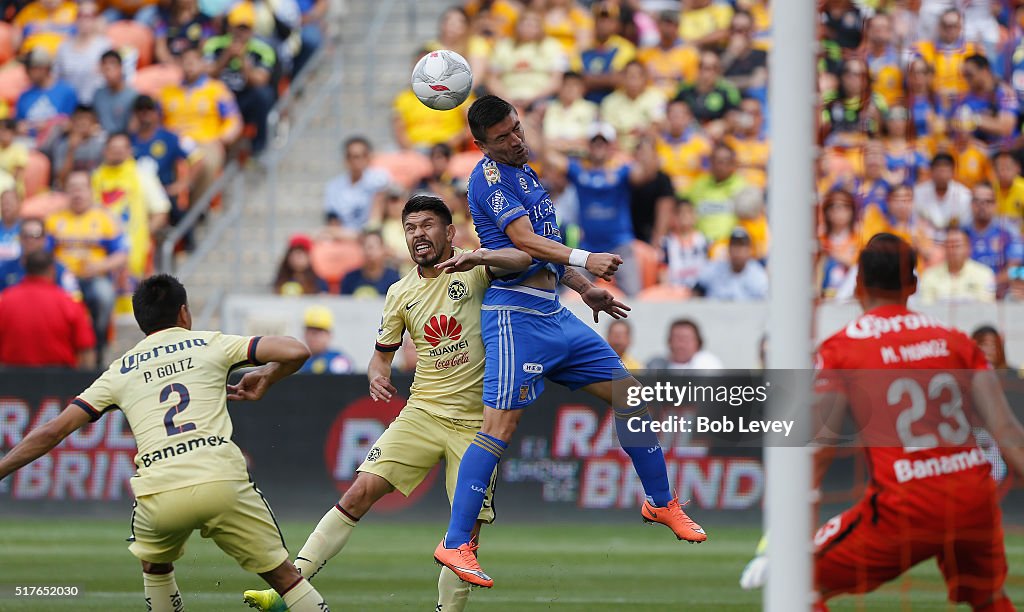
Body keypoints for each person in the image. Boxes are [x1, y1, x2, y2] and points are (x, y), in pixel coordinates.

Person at [434, 95, 706, 590]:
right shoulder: (488, 179)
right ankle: (455, 542)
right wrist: (587, 258)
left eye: (517, 129)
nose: (516, 140)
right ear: (481, 145)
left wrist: (584, 288)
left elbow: (546, 245)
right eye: (503, 138)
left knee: (631, 397)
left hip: (553, 312)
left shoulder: (527, 171)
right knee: (498, 429)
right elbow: (524, 241)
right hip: (514, 317)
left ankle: (660, 502)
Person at [242, 194, 534, 612]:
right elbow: (381, 357)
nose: (419, 234)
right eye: (411, 227)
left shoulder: (475, 268)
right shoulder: (399, 292)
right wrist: (377, 375)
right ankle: (290, 589)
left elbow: (523, 260)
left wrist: (484, 256)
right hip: (422, 412)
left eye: (428, 225)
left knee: (463, 535)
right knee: (358, 491)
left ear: (449, 232)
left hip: (477, 426)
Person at [0, 274, 330, 612]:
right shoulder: (211, 343)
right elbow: (296, 350)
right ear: (184, 313)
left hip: (160, 491)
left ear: (142, 321)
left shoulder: (120, 370)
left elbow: (53, 431)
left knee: (154, 566)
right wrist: (266, 376)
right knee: (285, 578)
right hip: (221, 480)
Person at [807, 233, 1024, 610]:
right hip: (973, 496)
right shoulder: (956, 340)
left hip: (905, 506)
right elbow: (1008, 433)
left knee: (797, 582)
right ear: (914, 284)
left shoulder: (842, 347)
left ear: (858, 282)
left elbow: (820, 449)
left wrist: (790, 522)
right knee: (988, 597)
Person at [542, 122, 659, 297]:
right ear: (588, 145)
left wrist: (648, 141)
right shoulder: (579, 170)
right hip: (588, 249)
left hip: (621, 247)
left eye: (603, 142)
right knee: (567, 297)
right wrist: (575, 144)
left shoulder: (622, 171)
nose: (599, 146)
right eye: (594, 142)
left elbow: (648, 173)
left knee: (635, 299)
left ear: (611, 146)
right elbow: (548, 157)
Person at [45, 170, 127, 361]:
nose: (77, 193)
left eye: (81, 188)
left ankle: (97, 348)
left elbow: (121, 255)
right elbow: (44, 255)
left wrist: (100, 266)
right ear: (65, 192)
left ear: (91, 191)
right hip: (61, 280)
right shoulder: (54, 220)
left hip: (94, 277)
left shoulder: (105, 218)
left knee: (104, 296)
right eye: (72, 188)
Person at [159, 45, 243, 200]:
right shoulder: (168, 92)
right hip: (175, 141)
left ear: (203, 64)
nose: (189, 66)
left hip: (206, 140)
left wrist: (222, 138)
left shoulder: (216, 89)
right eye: (185, 62)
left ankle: (196, 208)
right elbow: (157, 120)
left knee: (207, 163)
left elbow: (233, 119)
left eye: (193, 62)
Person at [91, 132, 171, 283]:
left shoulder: (142, 176)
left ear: (130, 151)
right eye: (113, 148)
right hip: (101, 250)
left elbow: (161, 211)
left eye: (122, 148)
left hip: (136, 249)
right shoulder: (94, 178)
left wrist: (143, 233)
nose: (118, 152)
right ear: (105, 151)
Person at [0, 249, 94, 369]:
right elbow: (86, 350)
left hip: (10, 381)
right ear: (52, 270)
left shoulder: (4, 301)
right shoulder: (69, 303)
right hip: (61, 382)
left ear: (26, 269)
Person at [204, 1, 277, 154]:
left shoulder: (263, 50)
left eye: (245, 29)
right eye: (237, 27)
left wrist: (243, 61)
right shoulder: (214, 45)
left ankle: (259, 147)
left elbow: (259, 81)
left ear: (252, 30)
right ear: (230, 27)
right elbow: (207, 77)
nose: (240, 33)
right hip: (218, 99)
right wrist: (226, 57)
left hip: (244, 98)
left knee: (263, 94)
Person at [322, 136, 389, 235]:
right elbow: (333, 220)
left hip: (371, 235)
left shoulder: (379, 179)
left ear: (368, 157)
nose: (357, 161)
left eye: (361, 156)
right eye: (352, 156)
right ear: (346, 159)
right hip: (344, 235)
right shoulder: (334, 186)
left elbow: (379, 214)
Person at [965, 183, 1023, 294]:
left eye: (988, 201)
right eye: (977, 201)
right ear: (971, 204)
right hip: (968, 291)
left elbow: (1014, 268)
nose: (982, 206)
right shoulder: (962, 232)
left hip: (1003, 290)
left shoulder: (1009, 232)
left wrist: (988, 285)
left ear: (995, 205)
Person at [0, 216, 79, 294]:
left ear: (44, 239)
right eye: (26, 236)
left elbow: (73, 299)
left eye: (36, 236)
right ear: (20, 238)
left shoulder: (59, 270)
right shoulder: (5, 269)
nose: (30, 240)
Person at [52, 0, 110, 106]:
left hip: (96, 103)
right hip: (69, 104)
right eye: (81, 16)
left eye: (88, 16)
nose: (84, 20)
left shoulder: (104, 46)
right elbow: (56, 77)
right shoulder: (64, 47)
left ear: (95, 19)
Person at [918, 227, 996, 304]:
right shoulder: (929, 275)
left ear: (968, 248)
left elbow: (986, 306)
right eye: (948, 245)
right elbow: (926, 307)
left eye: (957, 245)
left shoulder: (984, 274)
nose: (952, 250)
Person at [579, 1, 636, 104]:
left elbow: (617, 79)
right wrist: (605, 78)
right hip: (586, 102)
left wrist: (588, 79)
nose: (603, 24)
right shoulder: (585, 47)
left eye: (609, 20)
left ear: (617, 24)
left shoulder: (625, 47)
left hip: (615, 103)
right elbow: (576, 78)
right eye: (600, 19)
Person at [692, 226, 768, 301]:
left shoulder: (758, 276)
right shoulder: (714, 269)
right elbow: (696, 291)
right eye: (735, 246)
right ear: (728, 249)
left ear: (749, 251)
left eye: (742, 246)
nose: (738, 251)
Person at [15, 48, 78, 137]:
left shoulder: (67, 92)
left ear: (43, 69)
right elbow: (18, 124)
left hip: (56, 144)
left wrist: (49, 125)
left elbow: (72, 123)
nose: (26, 72)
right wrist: (20, 128)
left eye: (30, 68)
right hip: (29, 144)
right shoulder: (24, 95)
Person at [636, 10, 698, 99]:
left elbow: (691, 85)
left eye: (674, 25)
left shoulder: (689, 55)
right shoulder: (644, 54)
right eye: (666, 23)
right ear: (658, 25)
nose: (670, 28)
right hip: (649, 101)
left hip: (677, 101)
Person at [914, 152, 972, 244]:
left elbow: (965, 228)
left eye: (945, 171)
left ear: (953, 172)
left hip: (953, 244)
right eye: (938, 170)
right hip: (926, 244)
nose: (941, 175)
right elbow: (915, 225)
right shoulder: (918, 193)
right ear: (931, 171)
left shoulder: (964, 195)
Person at [661, 198, 708, 290]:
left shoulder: (703, 241)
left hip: (699, 291)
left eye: (688, 212)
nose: (684, 216)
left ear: (695, 216)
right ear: (674, 217)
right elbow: (663, 270)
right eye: (680, 213)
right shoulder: (667, 242)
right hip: (675, 289)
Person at [338, 230, 401, 298]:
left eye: (372, 247)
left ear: (383, 249)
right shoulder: (350, 278)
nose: (368, 251)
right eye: (365, 246)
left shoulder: (394, 279)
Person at [645, 318, 723, 370]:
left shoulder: (708, 364)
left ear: (698, 342)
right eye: (677, 339)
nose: (681, 345)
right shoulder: (655, 365)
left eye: (686, 339)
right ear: (669, 341)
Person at [92, 50, 139, 134]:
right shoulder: (98, 94)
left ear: (121, 67)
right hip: (102, 140)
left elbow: (133, 128)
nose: (109, 72)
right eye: (105, 68)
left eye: (112, 67)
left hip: (124, 140)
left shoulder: (133, 96)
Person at [297, 305, 352, 374]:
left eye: (319, 331)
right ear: (304, 334)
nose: (313, 336)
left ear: (329, 335)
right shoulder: (299, 362)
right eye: (310, 330)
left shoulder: (337, 361)